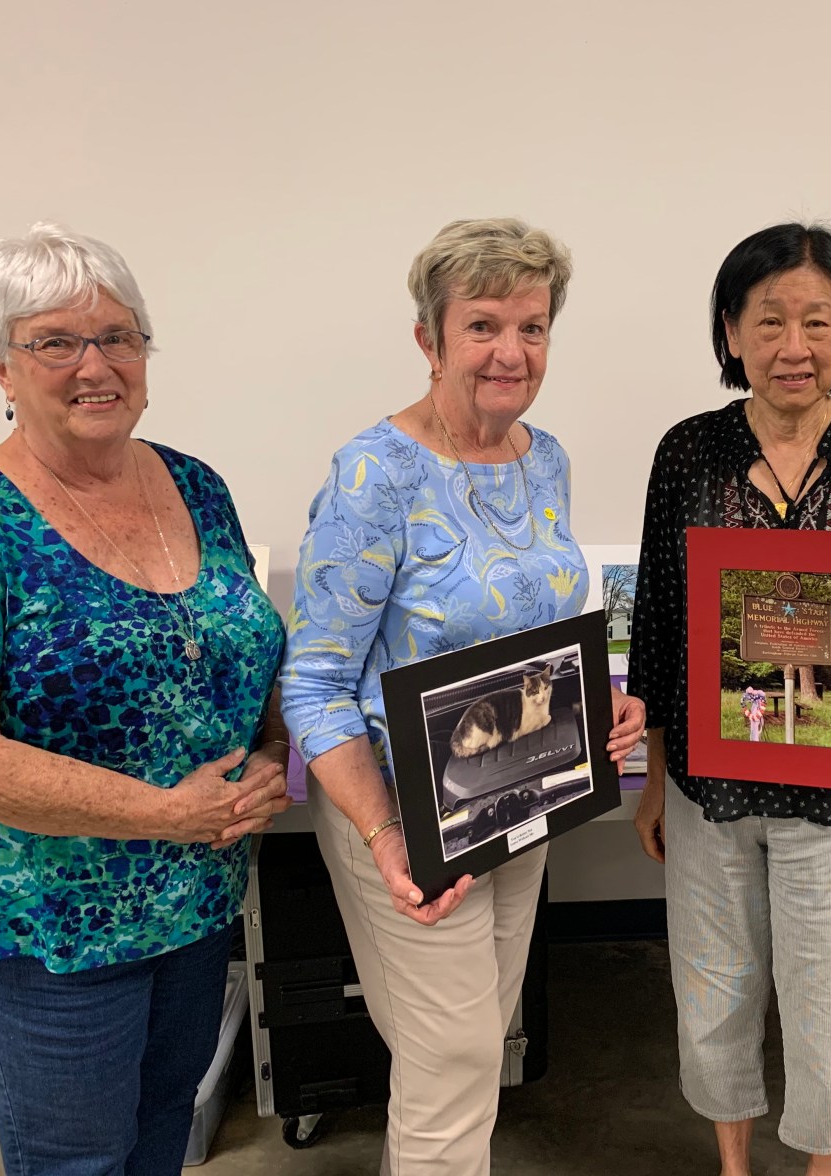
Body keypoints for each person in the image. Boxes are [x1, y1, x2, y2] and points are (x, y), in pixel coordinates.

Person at [0, 222, 290, 1175]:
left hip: (195, 900)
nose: (95, 365)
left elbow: (244, 644)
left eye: (117, 337)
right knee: (77, 1159)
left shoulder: (195, 486)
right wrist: (168, 814)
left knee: (163, 1127)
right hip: (47, 926)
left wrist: (270, 753)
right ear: (1, 367)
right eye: (55, 343)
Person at [280, 217, 645, 1176]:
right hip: (401, 810)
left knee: (479, 1041)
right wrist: (384, 833)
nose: (509, 352)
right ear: (429, 339)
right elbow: (313, 681)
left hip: (520, 797)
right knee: (454, 1059)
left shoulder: (543, 456)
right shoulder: (375, 473)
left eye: (532, 327)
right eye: (482, 325)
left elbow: (536, 621)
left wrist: (598, 697)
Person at [628, 223, 831, 1175]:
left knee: (830, 996)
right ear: (730, 332)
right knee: (713, 988)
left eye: (817, 321)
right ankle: (732, 1163)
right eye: (768, 320)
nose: (793, 346)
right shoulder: (688, 451)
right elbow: (659, 620)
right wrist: (656, 779)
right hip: (708, 780)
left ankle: (821, 1167)